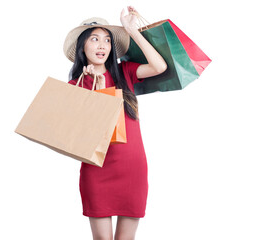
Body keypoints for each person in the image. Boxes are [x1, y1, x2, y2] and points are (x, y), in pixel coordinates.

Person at [63, 6, 167, 240]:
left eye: (107, 40)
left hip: (132, 166)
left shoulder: (125, 72)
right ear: (83, 47)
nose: (102, 45)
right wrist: (96, 88)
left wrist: (132, 30)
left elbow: (160, 66)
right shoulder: (75, 86)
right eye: (95, 39)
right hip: (97, 169)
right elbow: (86, 132)